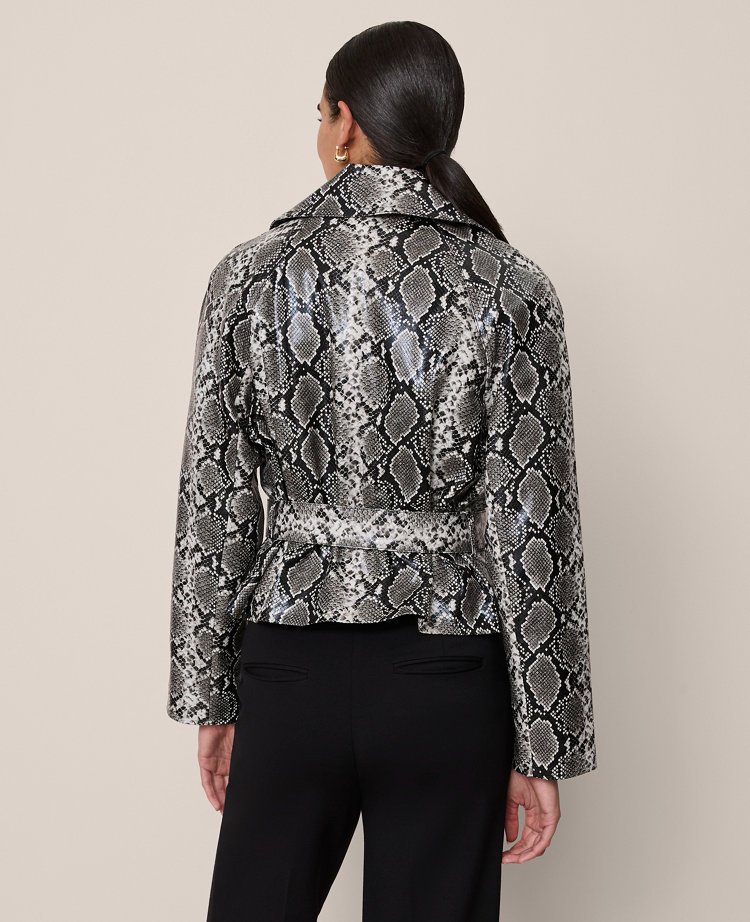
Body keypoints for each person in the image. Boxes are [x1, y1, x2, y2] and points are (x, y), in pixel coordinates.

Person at [167, 20, 597, 922]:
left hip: (288, 673)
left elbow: (216, 502)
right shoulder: (512, 286)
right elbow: (534, 525)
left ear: (346, 122)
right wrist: (544, 743)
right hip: (445, 678)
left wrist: (210, 691)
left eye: (320, 113)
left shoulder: (247, 277)